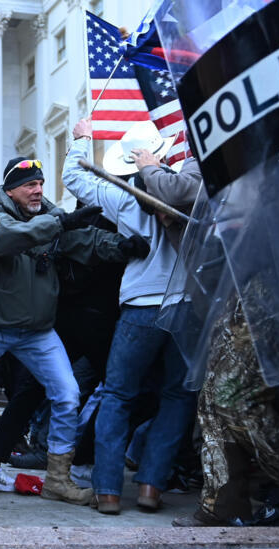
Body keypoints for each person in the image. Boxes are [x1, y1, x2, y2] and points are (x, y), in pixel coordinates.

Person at [0, 156, 148, 508]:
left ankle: (57, 479)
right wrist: (60, 223)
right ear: (11, 190)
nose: (38, 189)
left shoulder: (50, 216)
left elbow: (85, 240)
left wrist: (122, 247)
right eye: (29, 185)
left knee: (68, 394)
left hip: (36, 331)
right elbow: (10, 239)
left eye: (40, 184)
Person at [63, 118, 198, 514]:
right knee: (176, 397)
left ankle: (107, 491)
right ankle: (151, 487)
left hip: (140, 306)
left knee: (119, 395)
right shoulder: (185, 189)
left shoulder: (122, 198)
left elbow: (73, 176)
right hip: (184, 305)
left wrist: (81, 139)